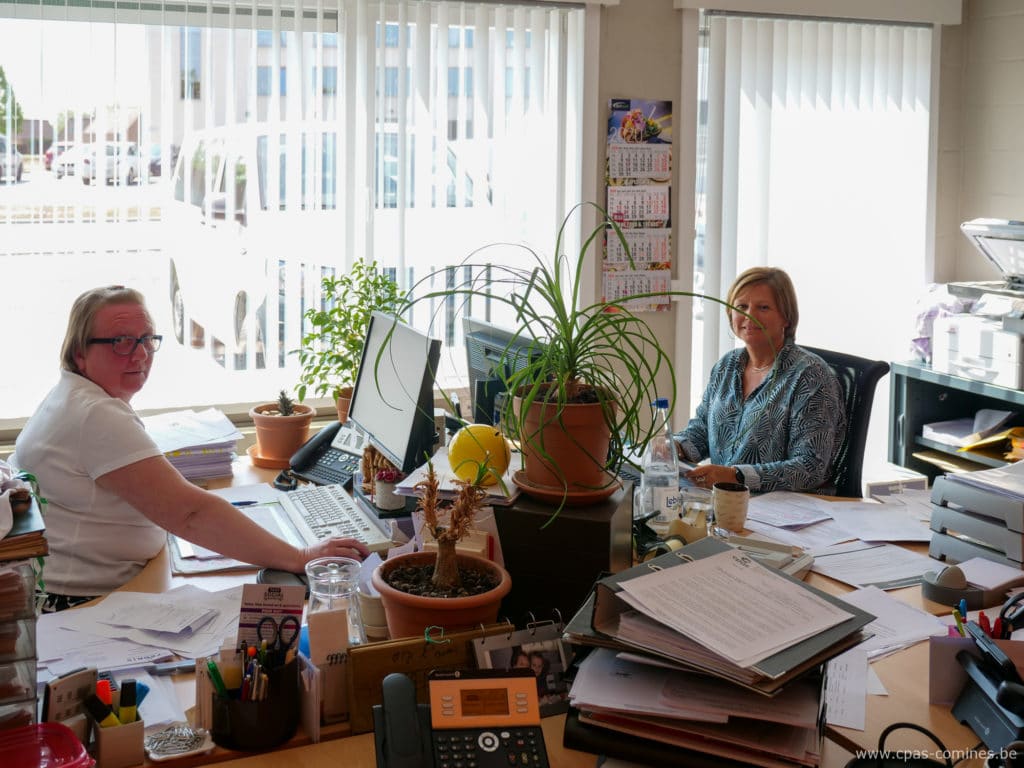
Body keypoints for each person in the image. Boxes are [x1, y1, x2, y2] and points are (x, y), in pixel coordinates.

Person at [13, 286, 370, 611]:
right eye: (121, 341)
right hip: (78, 607)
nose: (139, 355)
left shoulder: (75, 396)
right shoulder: (95, 414)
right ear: (80, 352)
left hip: (80, 588)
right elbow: (190, 515)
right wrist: (301, 556)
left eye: (147, 339)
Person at [675, 267, 846, 493]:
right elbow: (702, 431)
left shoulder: (810, 376)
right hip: (727, 501)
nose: (749, 315)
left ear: (786, 317)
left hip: (786, 511)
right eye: (741, 307)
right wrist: (674, 447)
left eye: (763, 307)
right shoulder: (727, 366)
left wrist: (735, 476)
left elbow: (810, 467)